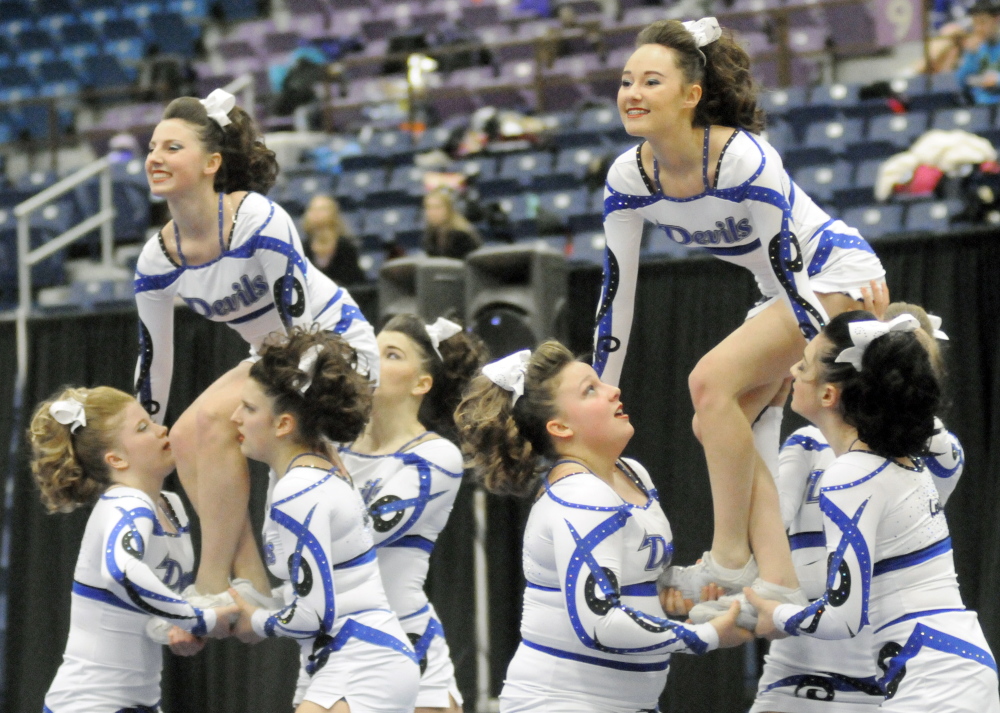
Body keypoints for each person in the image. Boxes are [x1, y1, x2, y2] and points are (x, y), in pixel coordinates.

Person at [593, 18, 886, 611]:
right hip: (780, 291)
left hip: (827, 273)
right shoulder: (628, 176)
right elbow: (616, 295)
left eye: (652, 81)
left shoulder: (742, 158)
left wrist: (819, 351)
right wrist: (602, 395)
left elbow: (790, 266)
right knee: (715, 424)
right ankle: (777, 577)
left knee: (708, 381)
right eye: (627, 81)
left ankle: (730, 557)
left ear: (691, 94)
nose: (633, 93)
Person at [135, 88, 379, 607]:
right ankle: (250, 585)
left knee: (208, 425)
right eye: (152, 147)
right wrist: (140, 454)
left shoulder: (258, 219)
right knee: (179, 440)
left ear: (212, 163)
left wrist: (318, 428)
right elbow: (154, 366)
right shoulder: (157, 260)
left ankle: (212, 583)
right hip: (274, 357)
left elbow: (303, 330)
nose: (155, 157)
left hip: (332, 348)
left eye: (172, 148)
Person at [454, 343, 752, 712]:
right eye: (590, 390)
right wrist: (705, 635)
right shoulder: (582, 495)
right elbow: (599, 623)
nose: (614, 390)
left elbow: (626, 578)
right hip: (562, 702)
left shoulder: (631, 473)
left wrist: (679, 588)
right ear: (560, 427)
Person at [740, 310, 999, 712]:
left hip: (935, 676)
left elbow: (843, 618)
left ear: (829, 395)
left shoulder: (851, 474)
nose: (792, 369)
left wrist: (776, 614)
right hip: (945, 663)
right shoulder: (896, 458)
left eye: (804, 364)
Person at [227, 327, 420, 713]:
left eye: (248, 409)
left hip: (364, 659)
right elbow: (320, 590)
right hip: (339, 655)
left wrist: (257, 620)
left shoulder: (299, 490)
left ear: (283, 425)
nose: (234, 418)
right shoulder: (299, 475)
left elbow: (313, 613)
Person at [30, 386, 236, 713]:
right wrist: (199, 618)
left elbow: (147, 608)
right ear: (116, 459)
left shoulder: (170, 506)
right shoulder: (125, 501)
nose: (162, 430)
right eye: (143, 428)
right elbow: (120, 573)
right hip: (89, 703)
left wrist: (177, 624)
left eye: (152, 422)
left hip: (137, 702)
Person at [339, 315, 486, 713]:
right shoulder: (333, 446)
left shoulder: (435, 456)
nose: (371, 359)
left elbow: (357, 538)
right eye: (370, 348)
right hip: (335, 645)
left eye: (391, 354)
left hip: (407, 643)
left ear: (422, 384)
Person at [301, 194, 366, 286]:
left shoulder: (345, 247)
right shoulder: (303, 248)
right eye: (312, 209)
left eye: (322, 209)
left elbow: (353, 280)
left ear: (333, 213)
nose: (316, 213)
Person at [956, 0, 1000, 104]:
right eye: (975, 23)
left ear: (996, 20)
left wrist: (996, 80)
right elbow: (961, 81)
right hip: (979, 107)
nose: (979, 28)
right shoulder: (976, 49)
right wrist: (970, 54)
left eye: (983, 22)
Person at [422, 188, 481, 260]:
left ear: (448, 209)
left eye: (437, 207)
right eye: (429, 208)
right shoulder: (430, 235)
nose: (432, 212)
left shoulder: (462, 235)